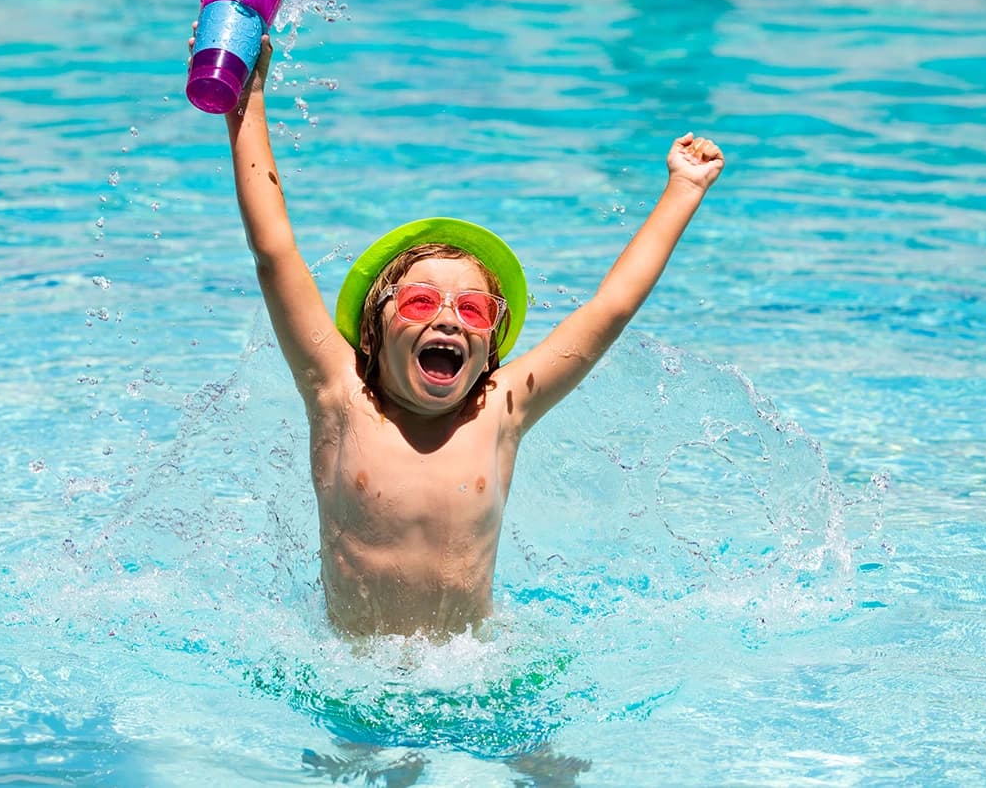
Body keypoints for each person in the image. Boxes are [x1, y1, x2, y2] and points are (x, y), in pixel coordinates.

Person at [212, 34, 723, 639]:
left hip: (474, 677)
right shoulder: (340, 394)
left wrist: (683, 190)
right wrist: (246, 98)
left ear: (490, 346)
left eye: (475, 310)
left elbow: (610, 309)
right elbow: (274, 252)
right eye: (422, 301)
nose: (449, 319)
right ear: (372, 334)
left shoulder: (502, 408)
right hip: (356, 680)